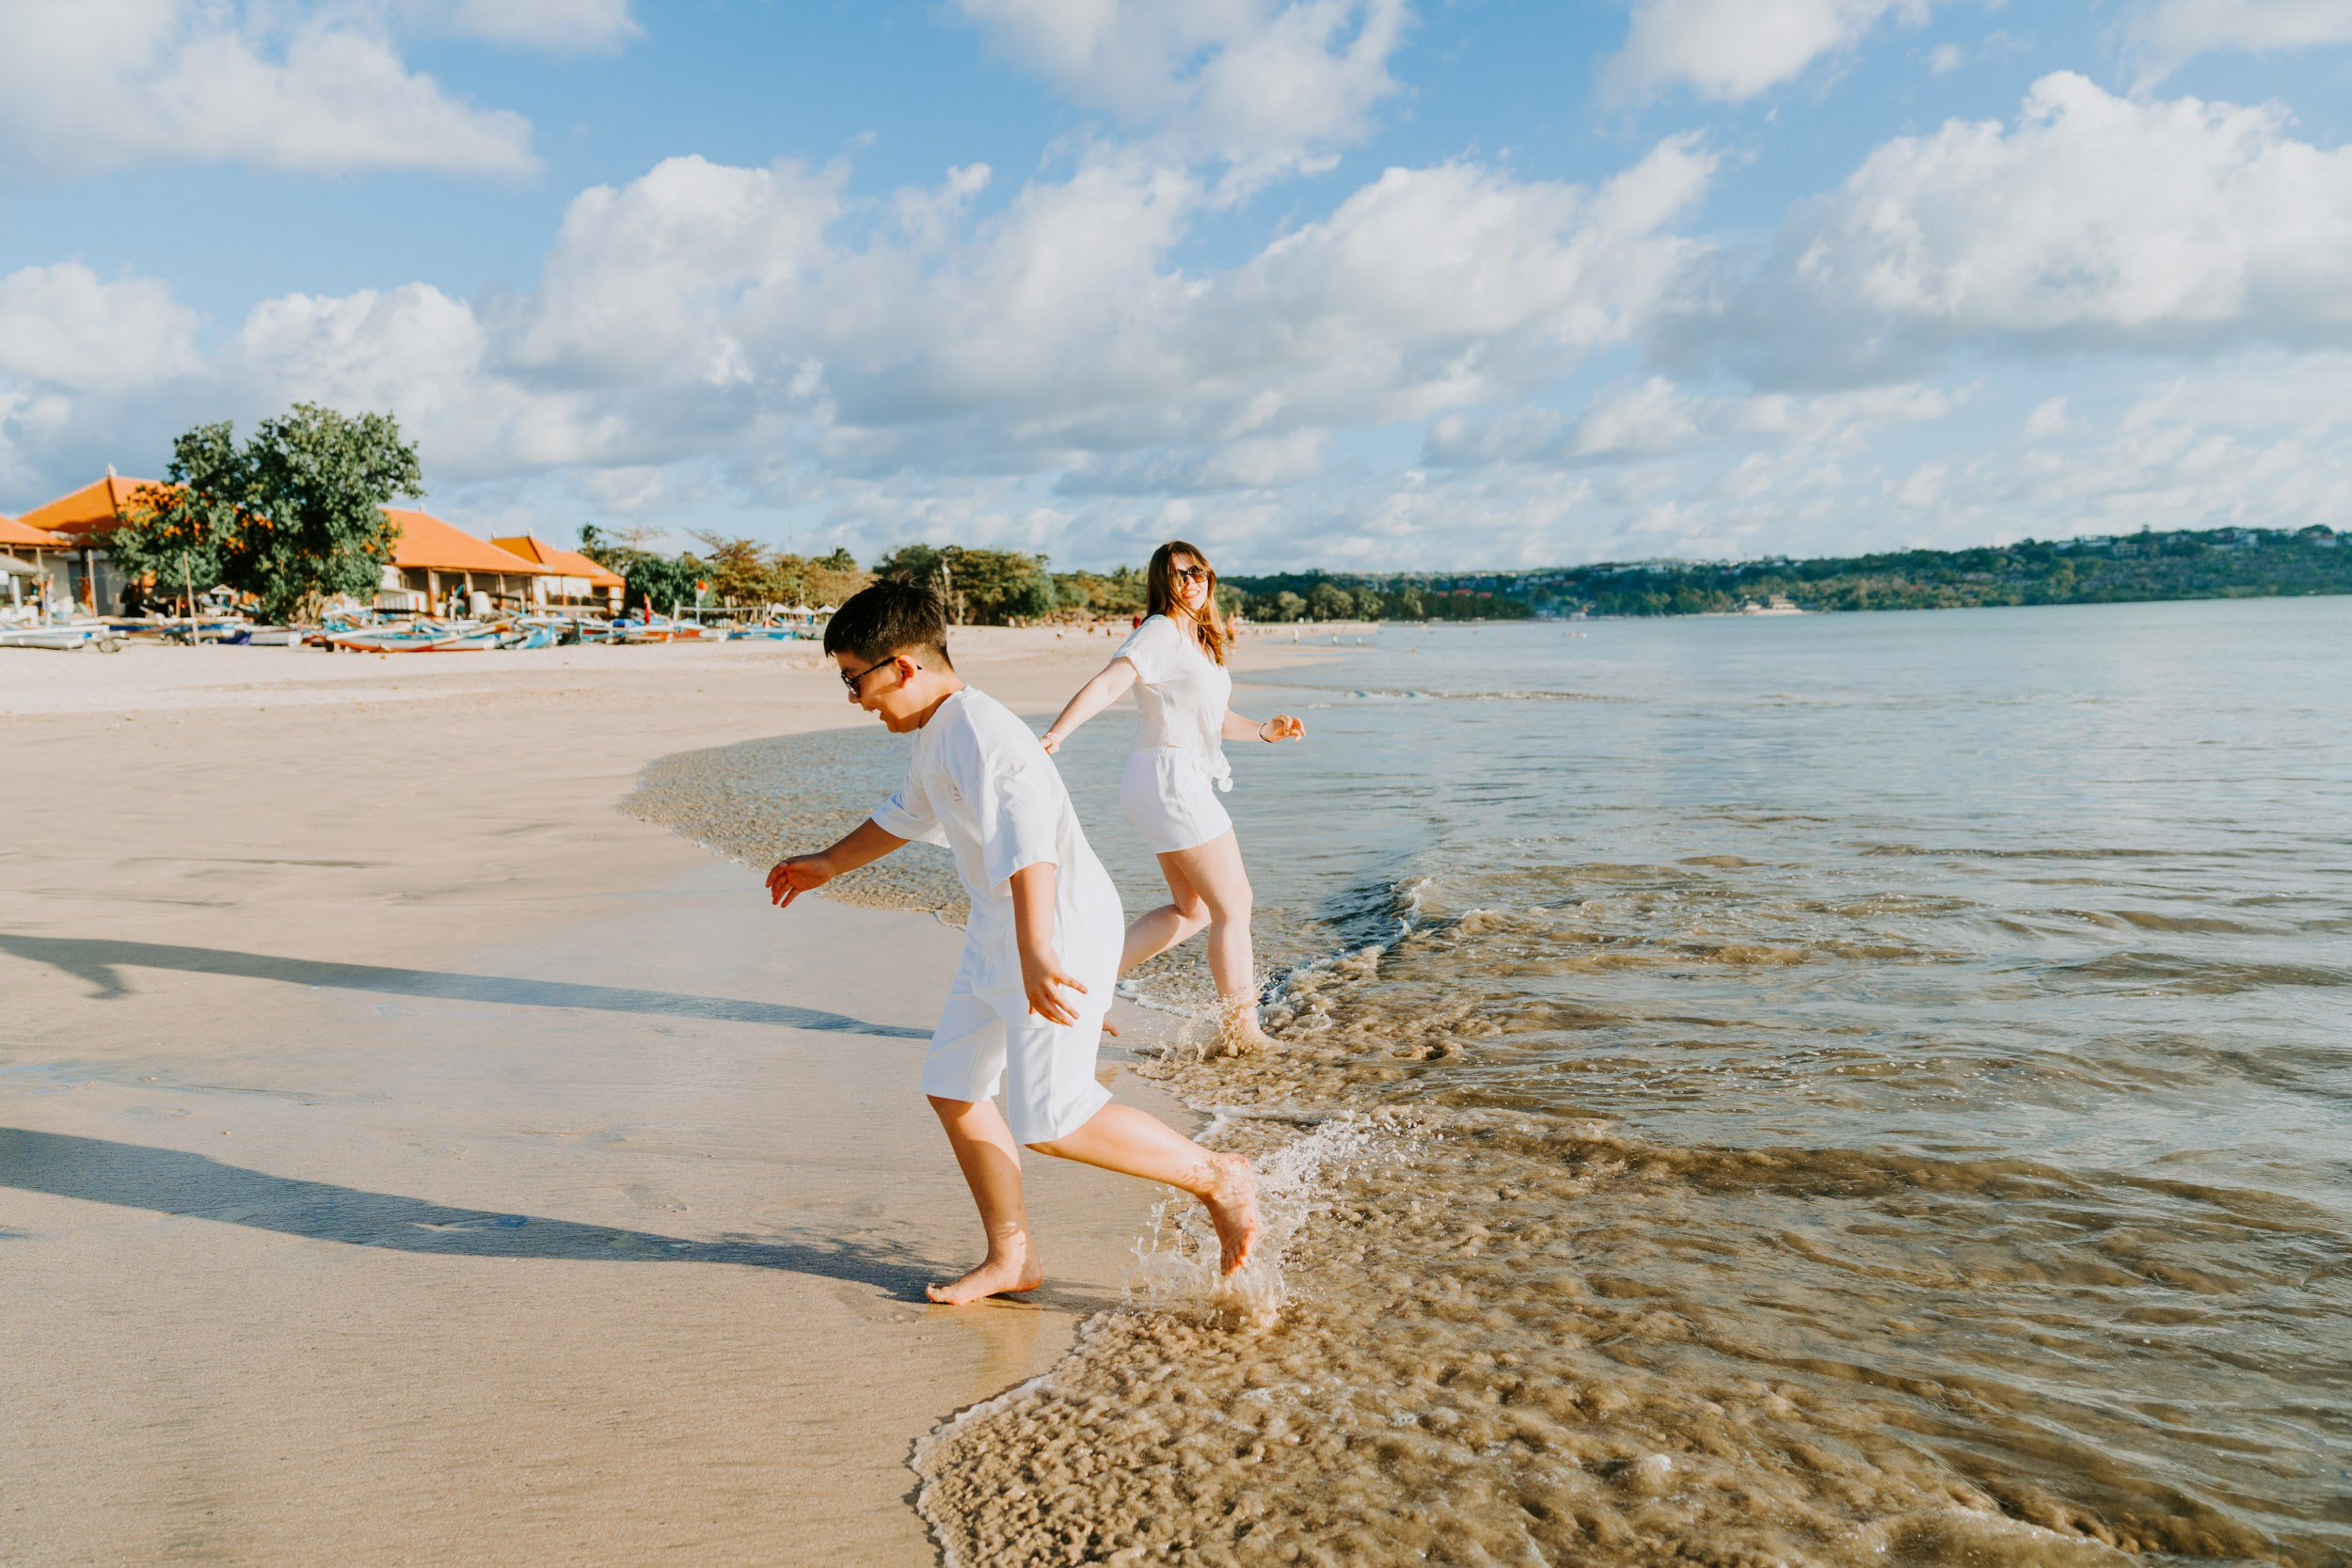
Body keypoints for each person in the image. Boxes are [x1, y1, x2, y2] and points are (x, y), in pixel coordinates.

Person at [765, 580, 1260, 1305]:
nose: (853, 697)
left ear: (903, 667)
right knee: (954, 1086)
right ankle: (1012, 1257)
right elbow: (906, 813)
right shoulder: (941, 729)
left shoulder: (982, 733)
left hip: (1053, 922)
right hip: (1002, 926)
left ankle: (1220, 1175)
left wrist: (1037, 954)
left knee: (1054, 1117)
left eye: (854, 678)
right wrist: (827, 863)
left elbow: (1033, 852)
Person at [1041, 541, 1304, 1052]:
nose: (1193, 581)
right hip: (1169, 779)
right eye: (1180, 574)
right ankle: (1243, 1031)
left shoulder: (1198, 640)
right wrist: (1058, 733)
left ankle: (1086, 979)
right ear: (1163, 583)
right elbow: (1108, 684)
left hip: (1164, 779)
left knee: (1194, 911)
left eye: (1200, 571)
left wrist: (1267, 731)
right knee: (1234, 906)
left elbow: (1217, 721)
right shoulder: (1159, 631)